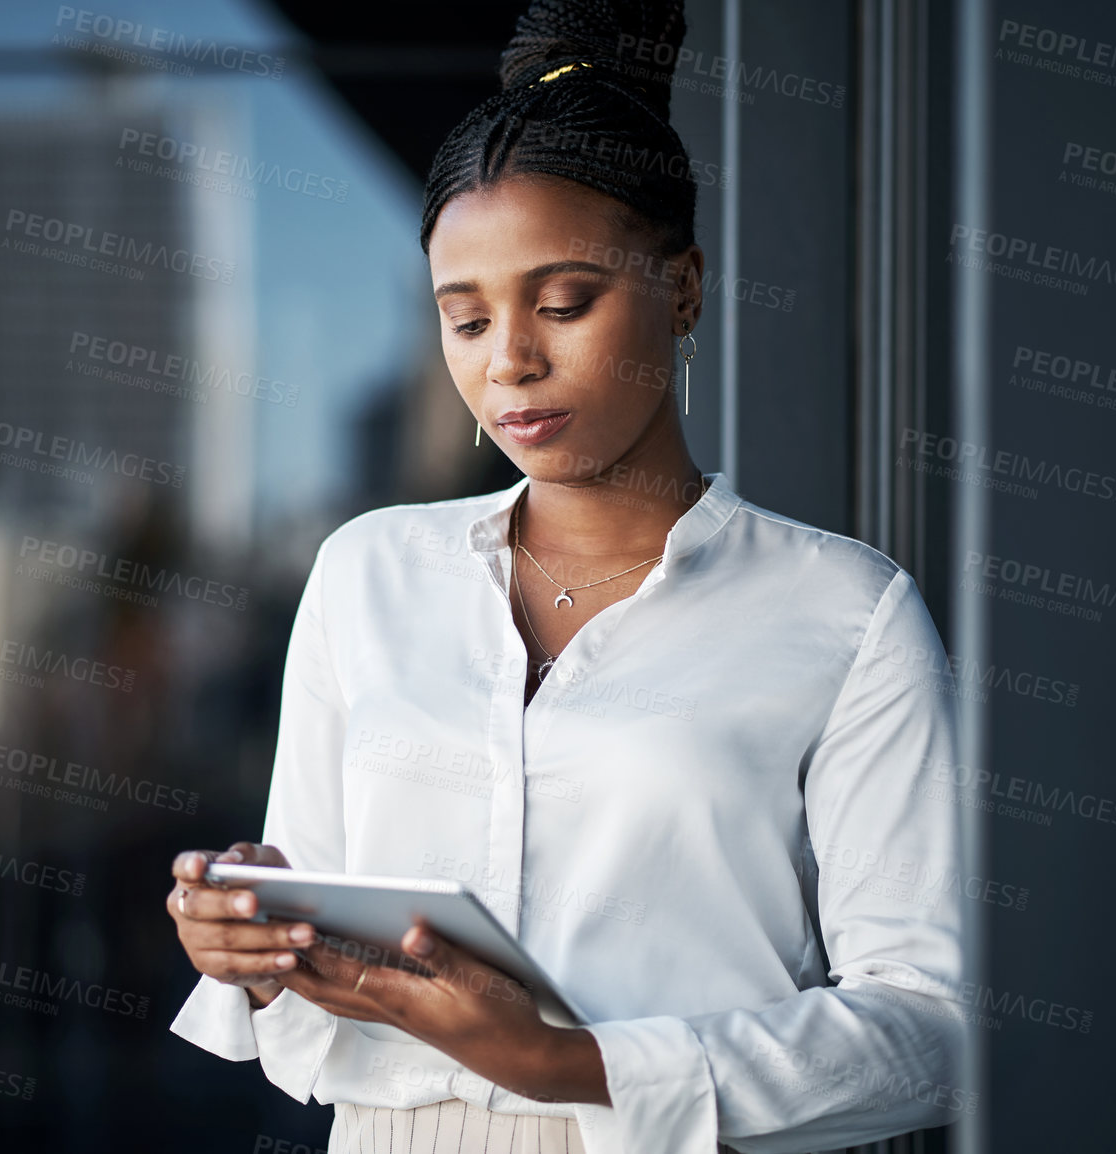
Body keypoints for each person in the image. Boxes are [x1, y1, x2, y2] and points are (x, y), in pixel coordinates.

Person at [167, 2, 972, 1151]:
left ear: (684, 288)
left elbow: (930, 1028)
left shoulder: (846, 615)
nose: (511, 363)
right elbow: (318, 935)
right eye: (465, 317)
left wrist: (567, 1061)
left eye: (563, 303)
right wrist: (252, 944)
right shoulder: (366, 575)